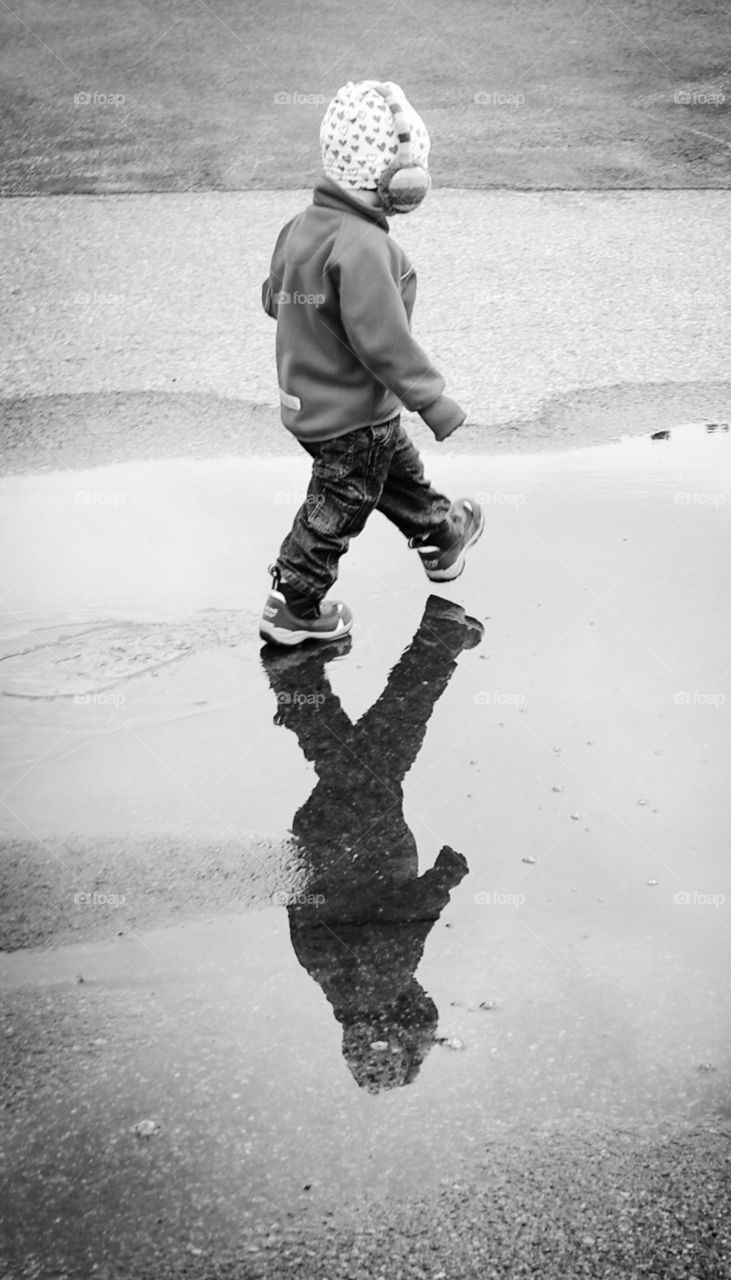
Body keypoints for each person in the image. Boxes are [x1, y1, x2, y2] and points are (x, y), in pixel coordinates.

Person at [259, 79, 484, 646]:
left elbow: (272, 297)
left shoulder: (300, 227)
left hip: (313, 401)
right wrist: (432, 400)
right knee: (341, 500)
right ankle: (295, 603)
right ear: (397, 181)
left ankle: (443, 536)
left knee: (394, 473)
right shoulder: (365, 248)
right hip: (350, 416)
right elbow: (383, 342)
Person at [263, 596, 483, 1090]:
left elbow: (411, 917)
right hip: (327, 837)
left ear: (399, 1026)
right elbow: (304, 912)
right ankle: (293, 672)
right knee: (353, 751)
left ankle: (440, 636)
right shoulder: (334, 987)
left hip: (364, 839)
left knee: (399, 727)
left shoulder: (380, 985)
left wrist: (447, 877)